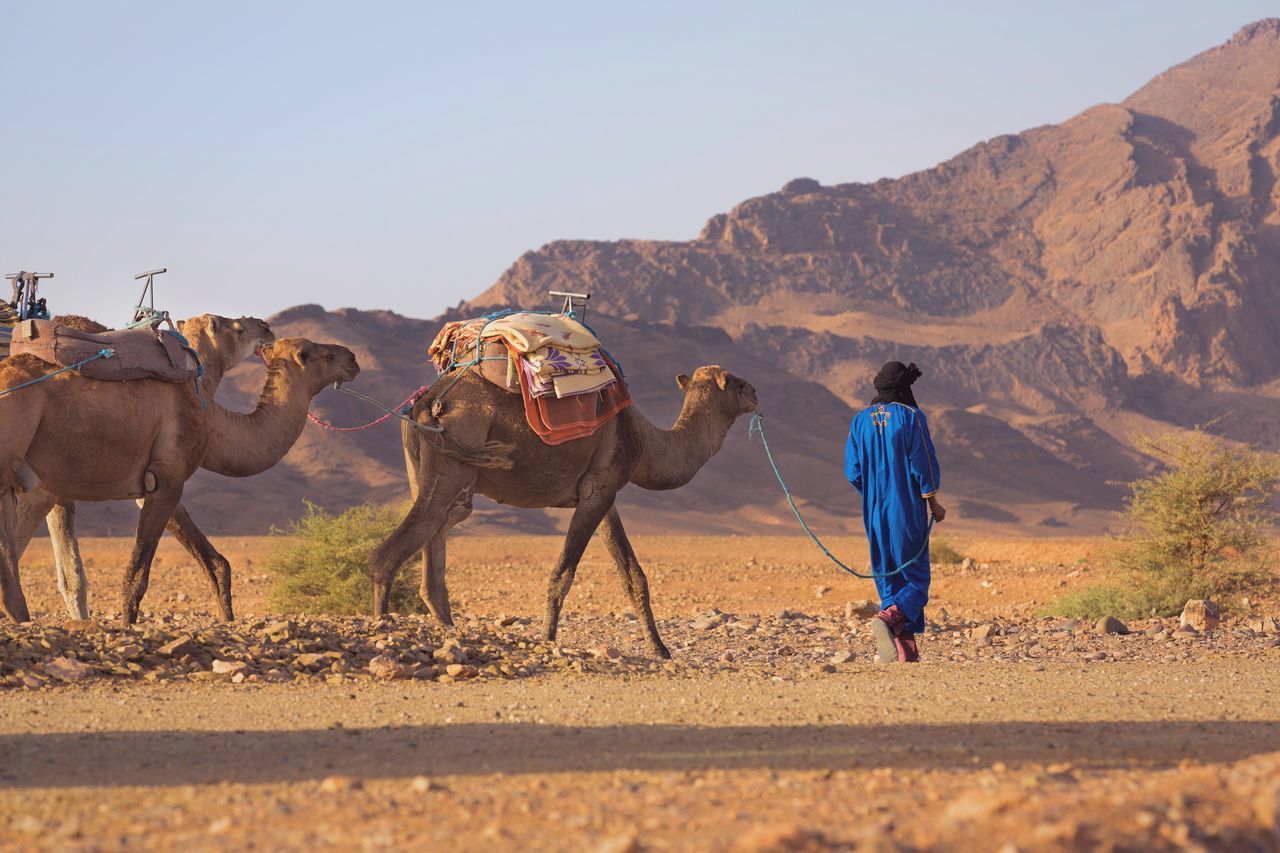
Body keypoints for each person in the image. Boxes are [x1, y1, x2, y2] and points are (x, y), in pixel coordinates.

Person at [844, 361, 945, 663]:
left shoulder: (859, 421)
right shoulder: (911, 417)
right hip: (907, 510)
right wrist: (933, 503)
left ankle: (906, 654)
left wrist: (874, 494)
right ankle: (887, 620)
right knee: (915, 580)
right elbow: (923, 464)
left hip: (874, 512)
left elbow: (853, 471)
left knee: (889, 579)